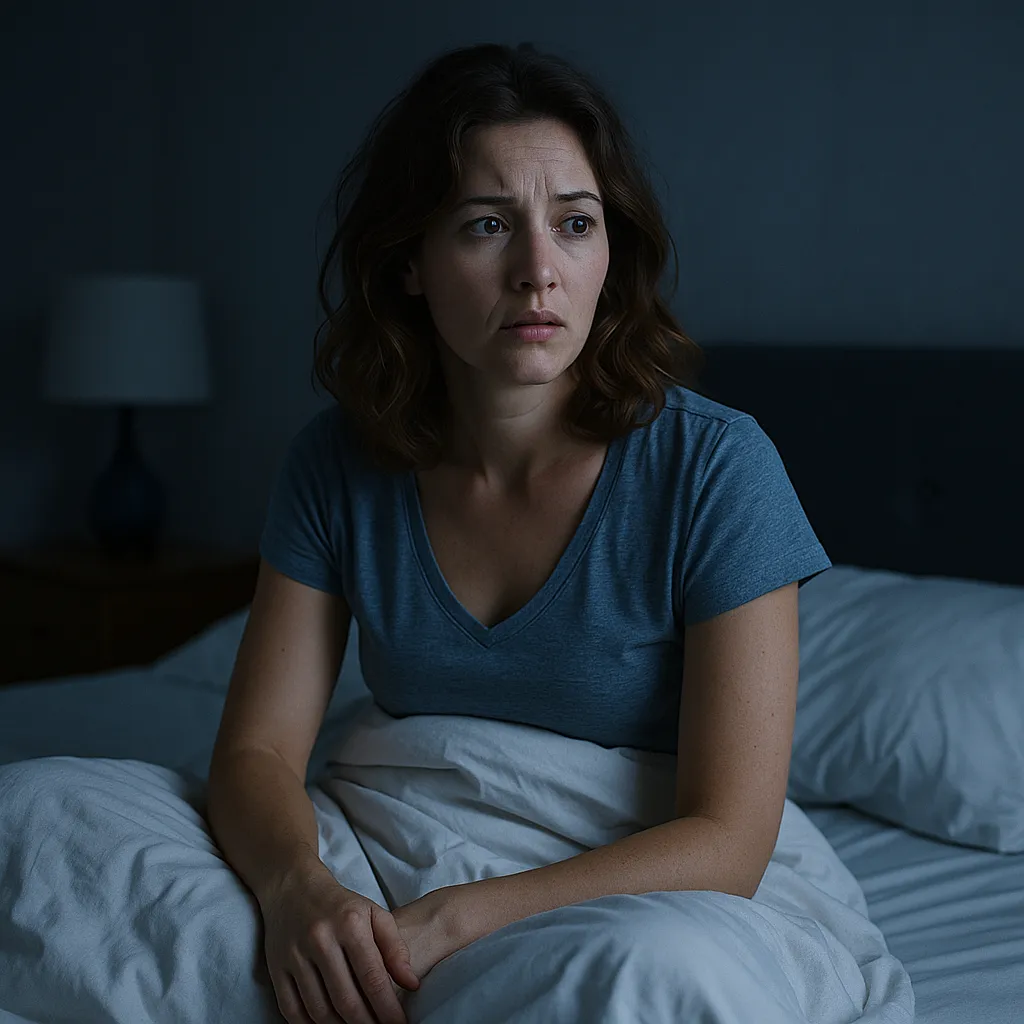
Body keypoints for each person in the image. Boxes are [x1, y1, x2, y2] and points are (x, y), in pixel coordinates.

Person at [206, 41, 832, 1024]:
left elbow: (726, 837)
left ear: (608, 254)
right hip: (397, 838)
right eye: (487, 224)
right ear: (408, 260)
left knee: (646, 972)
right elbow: (253, 757)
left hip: (639, 880)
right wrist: (301, 894)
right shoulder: (336, 461)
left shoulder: (715, 467)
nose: (538, 270)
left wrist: (454, 922)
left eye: (575, 224)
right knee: (50, 809)